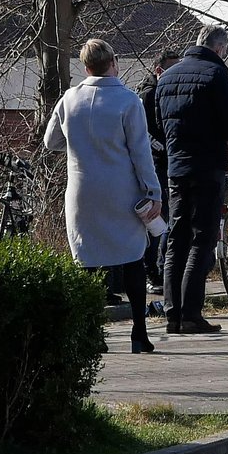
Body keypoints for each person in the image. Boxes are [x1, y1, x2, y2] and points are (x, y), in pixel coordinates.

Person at [43, 38, 161, 354]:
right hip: (121, 193)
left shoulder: (69, 99)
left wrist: (79, 144)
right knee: (133, 258)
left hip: (82, 192)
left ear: (86, 67)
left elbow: (50, 141)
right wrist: (153, 192)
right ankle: (139, 332)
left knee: (88, 261)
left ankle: (92, 333)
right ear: (113, 62)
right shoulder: (128, 101)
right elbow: (141, 153)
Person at [155, 26, 228, 334]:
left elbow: (158, 125)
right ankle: (191, 312)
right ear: (219, 49)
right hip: (207, 166)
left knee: (176, 236)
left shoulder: (166, 76)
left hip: (175, 167)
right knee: (202, 237)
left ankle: (171, 311)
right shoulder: (217, 74)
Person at [136, 48, 181, 292]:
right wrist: (162, 147)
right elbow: (145, 130)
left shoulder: (167, 89)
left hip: (165, 160)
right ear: (159, 70)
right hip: (156, 163)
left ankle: (158, 269)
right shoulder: (149, 94)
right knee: (158, 218)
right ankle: (152, 271)